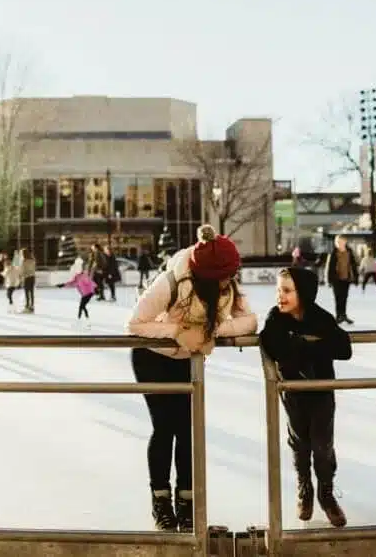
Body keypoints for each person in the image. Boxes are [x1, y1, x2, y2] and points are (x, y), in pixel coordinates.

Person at [127, 224, 258, 532]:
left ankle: (186, 502)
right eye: (227, 274)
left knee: (187, 431)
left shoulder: (227, 286)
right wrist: (178, 332)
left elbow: (249, 320)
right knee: (165, 428)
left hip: (186, 361)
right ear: (208, 274)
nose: (232, 279)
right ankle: (161, 501)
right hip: (151, 358)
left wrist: (209, 332)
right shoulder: (171, 281)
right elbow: (134, 323)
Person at [260, 267, 351, 527]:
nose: (281, 296)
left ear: (304, 293)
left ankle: (326, 492)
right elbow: (272, 344)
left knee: (322, 445)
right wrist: (303, 347)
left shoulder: (321, 318)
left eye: (287, 291)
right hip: (293, 391)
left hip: (321, 389)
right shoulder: (276, 318)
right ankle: (305, 489)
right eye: (278, 290)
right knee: (300, 444)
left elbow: (344, 348)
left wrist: (305, 346)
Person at [323, 235, 358, 324]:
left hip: (346, 278)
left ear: (345, 242)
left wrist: (356, 277)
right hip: (336, 278)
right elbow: (329, 266)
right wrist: (328, 279)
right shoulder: (333, 252)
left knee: (344, 297)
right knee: (338, 298)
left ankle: (344, 315)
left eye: (340, 241)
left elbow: (353, 265)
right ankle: (339, 315)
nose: (339, 243)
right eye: (337, 241)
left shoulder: (349, 251)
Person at [58, 257, 96, 328]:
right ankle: (85, 321)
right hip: (86, 294)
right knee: (82, 307)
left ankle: (84, 321)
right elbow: (71, 282)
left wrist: (95, 288)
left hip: (88, 293)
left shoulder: (83, 275)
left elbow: (89, 282)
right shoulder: (77, 276)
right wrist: (63, 285)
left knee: (82, 306)